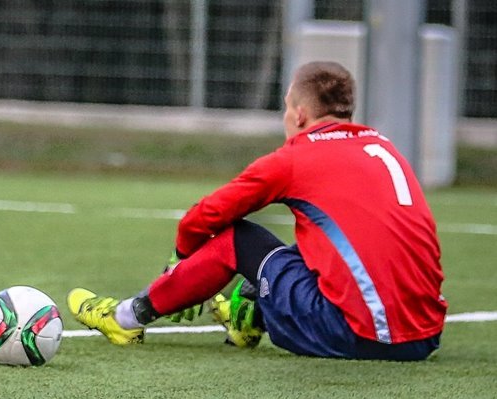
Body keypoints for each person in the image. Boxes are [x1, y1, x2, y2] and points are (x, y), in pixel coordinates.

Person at [67, 61, 447, 361]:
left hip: (355, 334)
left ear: (299, 114)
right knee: (313, 247)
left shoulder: (297, 159)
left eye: (284, 108)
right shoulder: (383, 147)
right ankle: (247, 317)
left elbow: (202, 218)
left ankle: (126, 319)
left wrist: (178, 266)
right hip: (425, 336)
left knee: (238, 238)